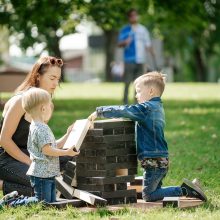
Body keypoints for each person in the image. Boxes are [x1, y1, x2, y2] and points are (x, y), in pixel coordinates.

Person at [88, 71, 207, 202]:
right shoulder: (158, 107)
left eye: (138, 91)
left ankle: (186, 190)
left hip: (153, 161)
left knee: (149, 196)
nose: (136, 95)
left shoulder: (146, 109)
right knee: (156, 191)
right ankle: (191, 187)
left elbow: (125, 110)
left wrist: (101, 111)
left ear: (150, 91)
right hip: (160, 158)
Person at [0, 56, 73, 196]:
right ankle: (3, 184)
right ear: (38, 76)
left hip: (30, 155)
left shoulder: (47, 105)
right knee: (44, 184)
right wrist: (30, 162)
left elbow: (43, 145)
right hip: (5, 158)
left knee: (71, 162)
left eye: (58, 79)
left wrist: (69, 135)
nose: (56, 83)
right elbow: (4, 140)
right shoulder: (20, 100)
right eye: (52, 78)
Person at [22, 88, 79, 203]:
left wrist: (67, 135)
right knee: (43, 202)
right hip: (42, 174)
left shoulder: (38, 125)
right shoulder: (41, 129)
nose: (51, 108)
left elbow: (54, 145)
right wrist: (66, 152)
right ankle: (14, 201)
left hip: (47, 172)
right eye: (50, 106)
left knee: (51, 201)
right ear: (43, 109)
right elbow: (47, 150)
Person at [118, 8, 156, 104]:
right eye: (132, 15)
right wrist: (125, 42)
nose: (134, 17)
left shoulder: (143, 29)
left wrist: (153, 55)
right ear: (129, 17)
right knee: (127, 83)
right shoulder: (125, 30)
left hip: (141, 60)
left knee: (139, 84)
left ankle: (136, 104)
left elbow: (148, 44)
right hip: (129, 60)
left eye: (135, 15)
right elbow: (119, 44)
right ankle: (125, 104)